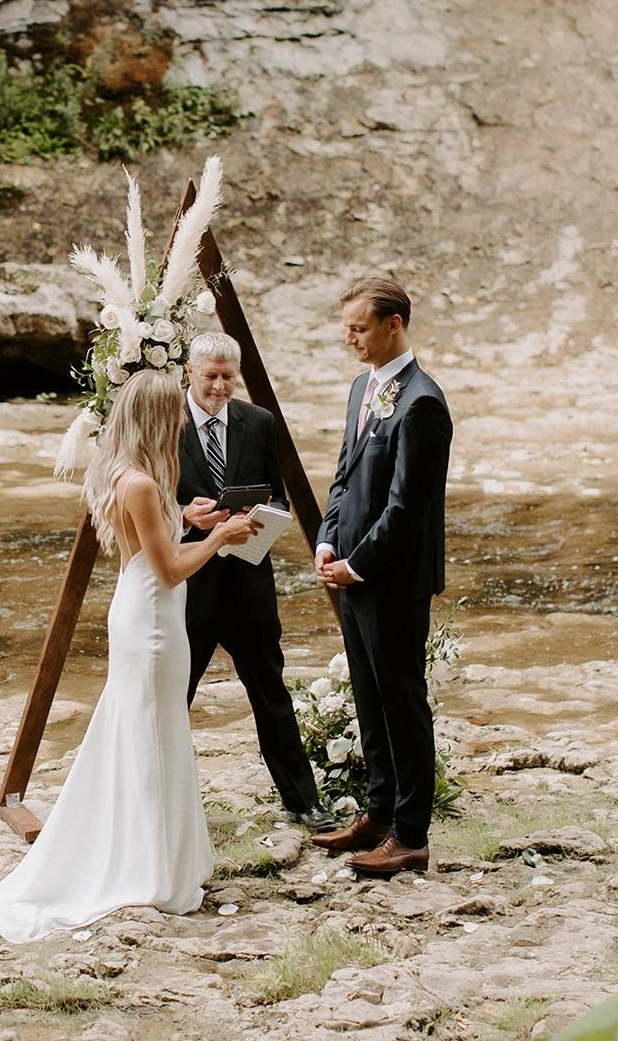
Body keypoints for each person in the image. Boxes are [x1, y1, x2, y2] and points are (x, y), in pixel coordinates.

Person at [0, 369, 256, 945]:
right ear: (160, 418)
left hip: (148, 615)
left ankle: (158, 858)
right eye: (177, 412)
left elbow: (150, 545)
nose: (186, 421)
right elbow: (167, 569)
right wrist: (220, 539)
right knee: (153, 735)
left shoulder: (136, 476)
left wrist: (190, 520)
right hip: (153, 623)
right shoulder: (140, 483)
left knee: (152, 730)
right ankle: (150, 869)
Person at [311, 277, 453, 877]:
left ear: (393, 325)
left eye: (359, 328)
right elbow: (345, 476)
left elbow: (406, 508)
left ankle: (413, 836)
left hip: (392, 580)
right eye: (347, 328)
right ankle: (377, 813)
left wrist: (358, 563)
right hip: (350, 573)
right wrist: (325, 538)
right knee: (368, 698)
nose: (350, 339)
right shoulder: (361, 389)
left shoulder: (422, 403)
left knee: (402, 703)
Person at [176, 331, 336, 833]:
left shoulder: (259, 422)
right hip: (189, 584)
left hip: (248, 580)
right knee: (175, 694)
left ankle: (303, 802)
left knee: (271, 694)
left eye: (229, 376)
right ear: (189, 372)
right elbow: (148, 503)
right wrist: (186, 516)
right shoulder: (163, 423)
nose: (221, 386)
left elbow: (280, 499)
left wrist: (262, 517)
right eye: (211, 377)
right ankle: (163, 804)